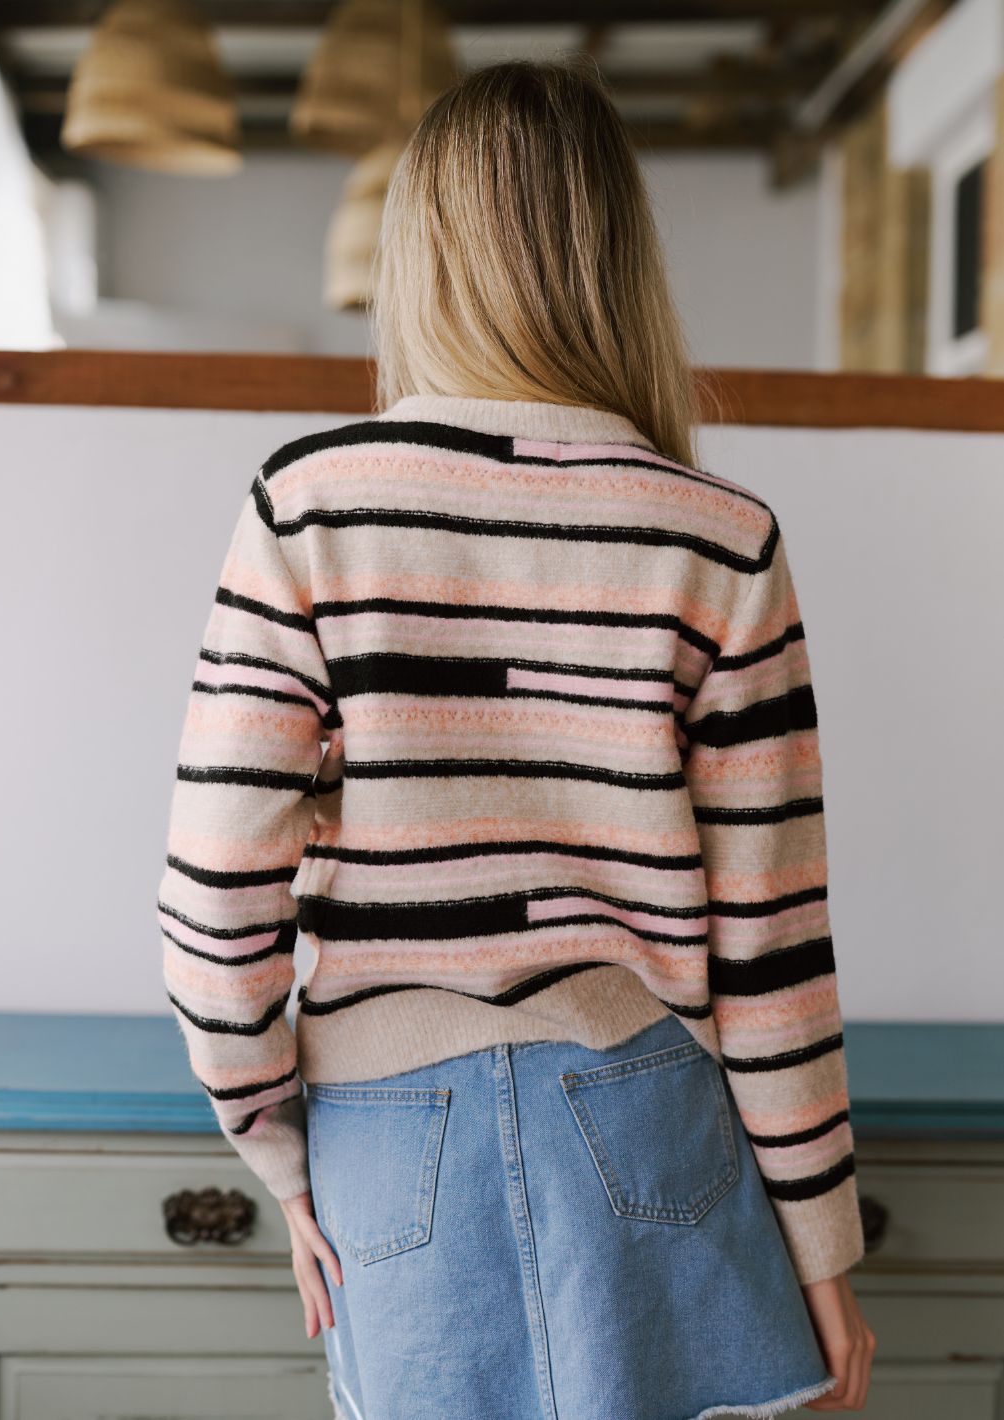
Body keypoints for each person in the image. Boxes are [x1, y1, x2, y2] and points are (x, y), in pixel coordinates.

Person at [157, 56, 876, 1420]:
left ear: (419, 259)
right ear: (618, 262)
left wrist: (274, 1149)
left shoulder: (310, 506)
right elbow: (773, 942)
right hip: (649, 1117)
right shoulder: (720, 537)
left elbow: (213, 896)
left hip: (384, 1146)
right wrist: (821, 1249)